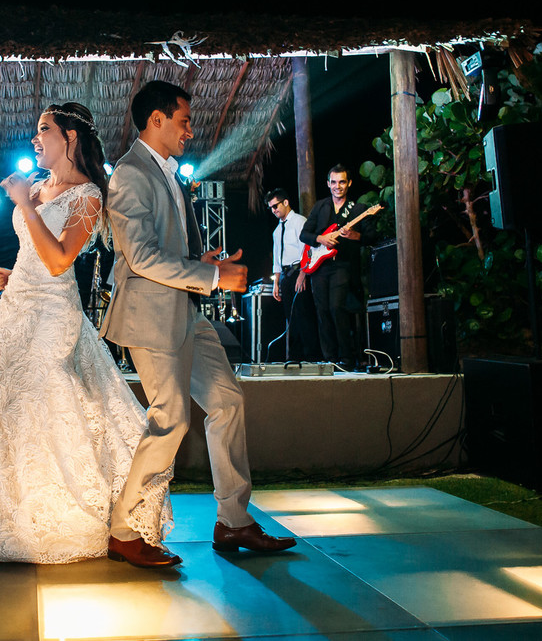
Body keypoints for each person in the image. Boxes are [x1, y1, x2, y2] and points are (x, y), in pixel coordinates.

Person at [0, 102, 166, 564]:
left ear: (71, 138)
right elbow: (34, 250)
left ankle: (66, 522)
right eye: (35, 131)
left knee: (47, 407)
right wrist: (12, 273)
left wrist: (24, 203)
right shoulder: (41, 187)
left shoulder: (87, 195)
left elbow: (61, 260)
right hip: (16, 306)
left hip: (52, 314)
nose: (35, 139)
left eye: (44, 130)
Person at [101, 80, 295, 569]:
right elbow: (141, 256)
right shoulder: (129, 175)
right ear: (157, 120)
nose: (191, 130)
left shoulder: (167, 172)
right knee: (171, 420)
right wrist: (211, 275)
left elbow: (163, 251)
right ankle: (122, 530)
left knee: (227, 400)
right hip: (151, 317)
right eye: (184, 120)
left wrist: (198, 260)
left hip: (184, 310)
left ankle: (233, 520)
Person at [299, 164, 378, 370]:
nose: (337, 186)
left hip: (343, 266)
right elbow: (304, 234)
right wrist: (320, 238)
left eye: (342, 182)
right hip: (320, 267)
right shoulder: (320, 207)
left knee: (337, 308)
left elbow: (372, 237)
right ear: (328, 184)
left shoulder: (359, 209)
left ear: (349, 183)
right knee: (322, 310)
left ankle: (347, 357)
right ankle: (329, 358)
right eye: (333, 182)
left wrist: (356, 235)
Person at [266, 187, 321, 361]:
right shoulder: (277, 230)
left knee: (304, 314)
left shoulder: (299, 221)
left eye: (276, 206)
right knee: (291, 318)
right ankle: (295, 357)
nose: (274, 210)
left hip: (299, 270)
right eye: (271, 208)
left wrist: (303, 274)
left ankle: (311, 356)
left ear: (286, 202)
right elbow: (277, 256)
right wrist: (276, 282)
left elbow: (307, 249)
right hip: (284, 275)